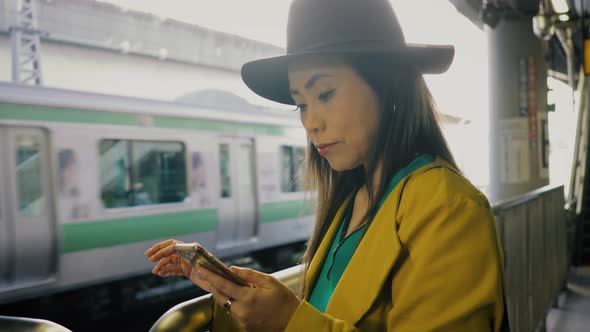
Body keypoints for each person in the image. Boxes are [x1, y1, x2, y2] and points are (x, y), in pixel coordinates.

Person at [145, 0, 509, 330]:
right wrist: (232, 291)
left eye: (325, 94)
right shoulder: (355, 197)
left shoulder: (447, 206)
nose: (310, 122)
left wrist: (289, 320)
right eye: (301, 104)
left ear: (389, 85)